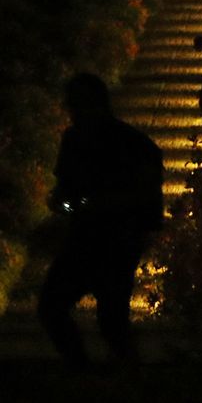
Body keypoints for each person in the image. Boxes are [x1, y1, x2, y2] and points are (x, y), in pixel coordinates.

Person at [37, 72, 164, 368]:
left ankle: (109, 376)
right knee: (55, 308)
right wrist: (64, 204)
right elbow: (65, 188)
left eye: (77, 106)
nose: (74, 113)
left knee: (110, 320)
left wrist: (101, 206)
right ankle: (86, 370)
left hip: (117, 241)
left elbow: (144, 199)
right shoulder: (75, 140)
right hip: (85, 238)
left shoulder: (133, 145)